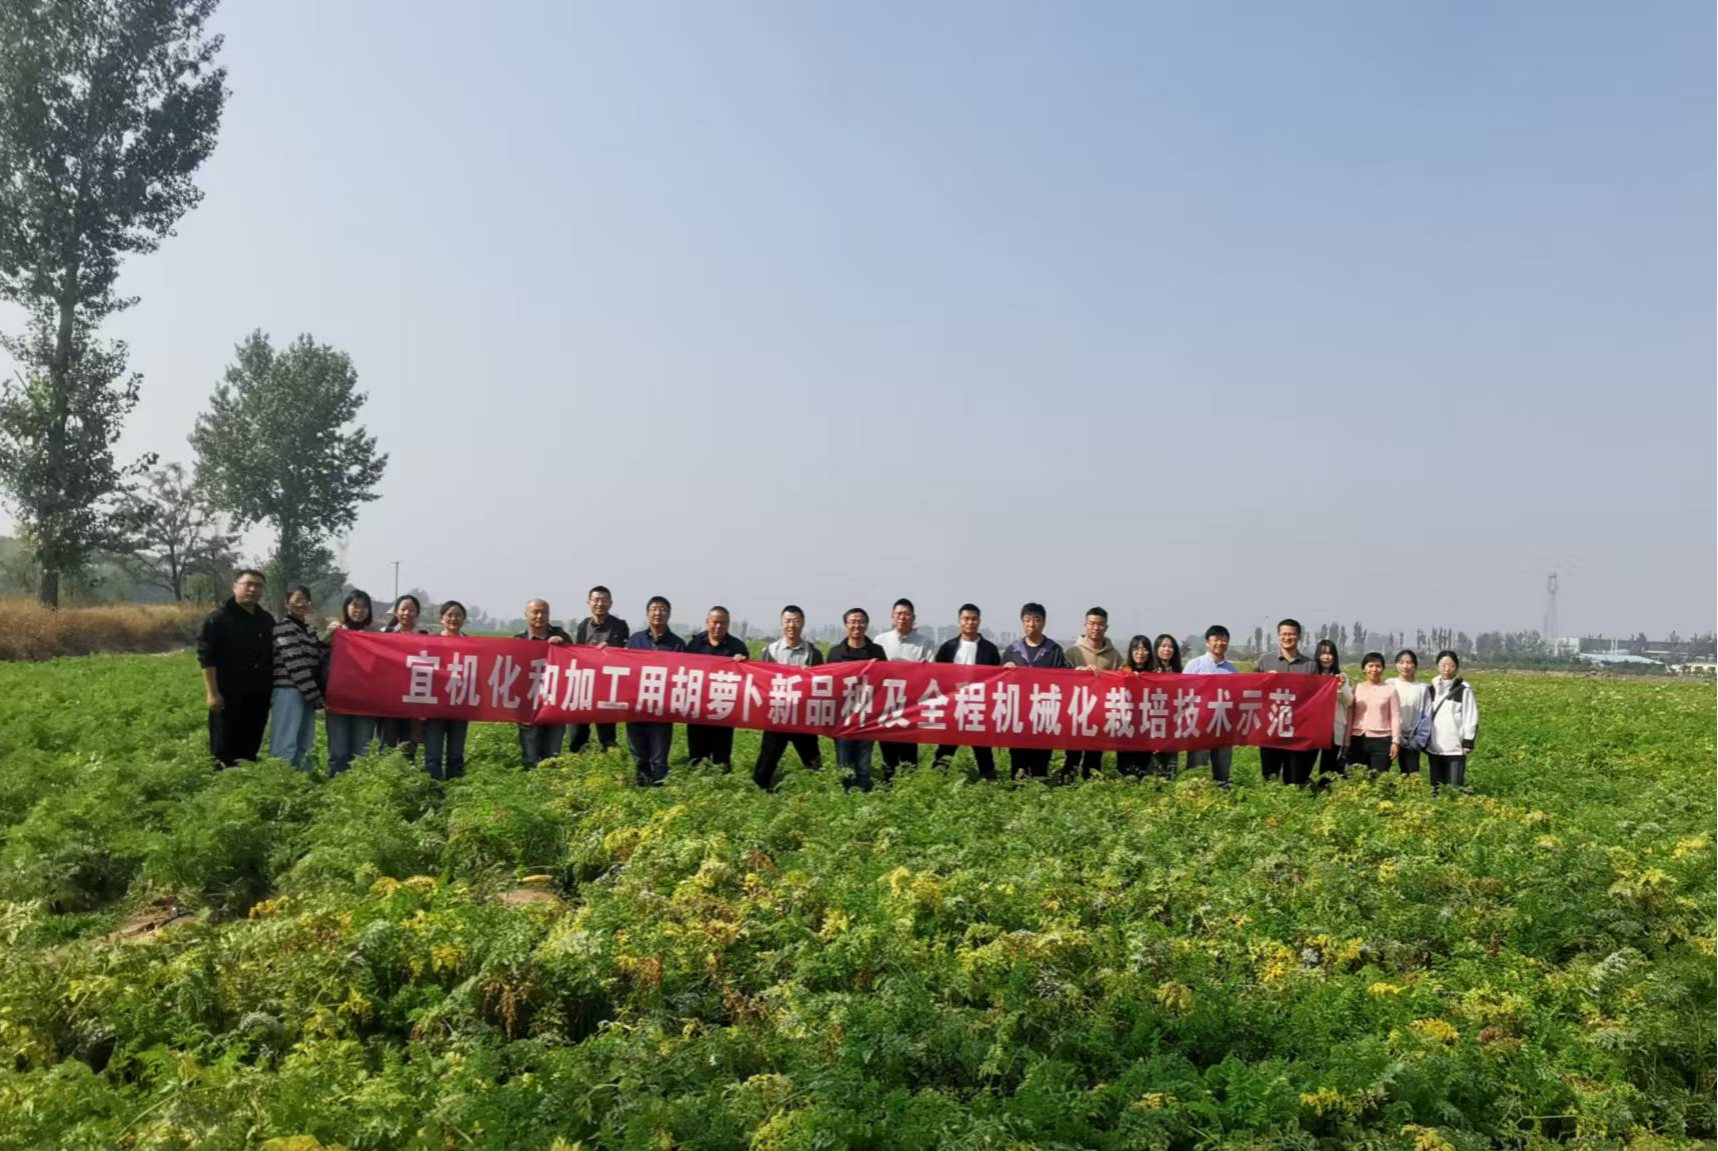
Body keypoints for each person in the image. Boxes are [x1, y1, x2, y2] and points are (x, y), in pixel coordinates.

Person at [197, 569, 276, 768]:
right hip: (228, 695)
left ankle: (246, 779)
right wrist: (212, 694)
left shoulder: (266, 620)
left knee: (251, 745)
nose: (253, 589)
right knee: (224, 747)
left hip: (259, 694)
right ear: (235, 587)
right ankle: (223, 781)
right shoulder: (219, 619)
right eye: (248, 584)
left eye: (258, 586)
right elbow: (207, 658)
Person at [752, 604, 824, 790]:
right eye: (788, 621)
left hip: (802, 718)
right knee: (766, 761)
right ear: (781, 623)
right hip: (777, 716)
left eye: (796, 621)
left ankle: (818, 794)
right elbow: (761, 681)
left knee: (813, 762)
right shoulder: (770, 651)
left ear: (803, 623)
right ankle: (760, 792)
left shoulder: (813, 653)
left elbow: (822, 684)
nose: (792, 625)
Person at [932, 604, 1001, 780]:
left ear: (979, 621)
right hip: (953, 706)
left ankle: (989, 782)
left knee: (983, 749)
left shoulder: (990, 650)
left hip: (979, 706)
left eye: (974, 619)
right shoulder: (948, 648)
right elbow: (937, 676)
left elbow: (997, 679)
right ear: (959, 621)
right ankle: (935, 781)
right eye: (966, 619)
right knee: (946, 749)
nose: (970, 622)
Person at [1001, 603, 1067, 779]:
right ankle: (1018, 788)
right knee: (1018, 761)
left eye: (1036, 620)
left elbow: (1065, 680)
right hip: (1019, 714)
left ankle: (1040, 788)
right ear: (1022, 622)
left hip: (1044, 713)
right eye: (1027, 620)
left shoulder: (1054, 650)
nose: (1032, 624)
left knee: (1041, 761)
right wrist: (1005, 671)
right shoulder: (1013, 651)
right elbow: (999, 683)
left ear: (1044, 622)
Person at [626, 595, 686, 785]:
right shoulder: (635, 640)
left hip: (662, 710)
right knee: (639, 756)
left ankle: (660, 793)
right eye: (654, 609)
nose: (658, 613)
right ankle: (642, 791)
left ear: (669, 614)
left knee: (659, 758)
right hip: (636, 708)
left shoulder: (677, 644)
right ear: (647, 613)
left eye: (663, 609)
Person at [826, 608, 887, 792]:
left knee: (863, 766)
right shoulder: (836, 653)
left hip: (868, 717)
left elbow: (885, 681)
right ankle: (844, 798)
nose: (857, 625)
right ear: (846, 625)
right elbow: (828, 684)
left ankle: (863, 797)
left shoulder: (876, 652)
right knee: (844, 765)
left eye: (861, 621)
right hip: (843, 718)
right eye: (852, 621)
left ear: (866, 625)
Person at [874, 598, 935, 779]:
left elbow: (932, 673)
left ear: (913, 618)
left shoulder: (925, 643)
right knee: (888, 752)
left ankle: (909, 784)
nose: (902, 617)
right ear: (892, 617)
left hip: (911, 705)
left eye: (907, 614)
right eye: (899, 614)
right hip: (886, 705)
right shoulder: (880, 641)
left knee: (909, 754)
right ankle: (888, 785)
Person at [1063, 607, 1125, 779]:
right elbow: (1062, 679)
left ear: (1106, 627)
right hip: (1076, 712)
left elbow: (1122, 679)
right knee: (1072, 755)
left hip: (1100, 714)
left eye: (1100, 624)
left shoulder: (1114, 656)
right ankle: (1067, 783)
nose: (1096, 628)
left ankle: (1092, 785)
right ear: (1085, 625)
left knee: (1094, 757)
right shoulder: (1073, 652)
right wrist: (1080, 672)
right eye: (1092, 623)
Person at [1255, 619, 1319, 785]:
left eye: (1291, 634)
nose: (1287, 637)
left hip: (1297, 729)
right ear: (1278, 636)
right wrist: (1265, 681)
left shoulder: (1310, 665)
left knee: (1293, 778)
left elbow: (1316, 696)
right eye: (1284, 634)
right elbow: (1252, 690)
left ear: (1299, 637)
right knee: (1270, 776)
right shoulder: (1265, 661)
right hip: (1270, 727)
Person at [684, 605, 749, 768]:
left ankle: (722, 779)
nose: (719, 626)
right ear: (707, 622)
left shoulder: (737, 647)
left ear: (728, 624)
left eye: (723, 623)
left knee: (722, 759)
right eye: (715, 622)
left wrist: (743, 663)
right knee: (697, 759)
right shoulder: (694, 645)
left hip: (724, 710)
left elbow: (747, 678)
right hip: (698, 710)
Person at [268, 584, 324, 770]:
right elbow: (295, 663)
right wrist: (314, 695)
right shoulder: (283, 628)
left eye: (305, 600)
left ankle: (303, 780)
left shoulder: (309, 630)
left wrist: (331, 639)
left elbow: (317, 658)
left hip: (307, 692)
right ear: (287, 604)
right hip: (288, 690)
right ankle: (279, 779)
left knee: (304, 741)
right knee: (285, 741)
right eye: (297, 600)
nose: (302, 604)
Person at [325, 589, 379, 775]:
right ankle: (336, 786)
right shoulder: (337, 631)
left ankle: (356, 788)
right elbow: (320, 653)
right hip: (338, 698)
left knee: (361, 751)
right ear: (346, 607)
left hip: (366, 701)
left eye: (364, 607)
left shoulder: (376, 635)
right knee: (338, 750)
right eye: (355, 605)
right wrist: (329, 636)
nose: (359, 610)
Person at [569, 585, 629, 754]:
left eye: (604, 600)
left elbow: (625, 651)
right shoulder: (583, 626)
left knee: (607, 732)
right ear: (589, 603)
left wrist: (611, 649)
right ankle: (578, 759)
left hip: (607, 685)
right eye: (596, 600)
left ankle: (610, 761)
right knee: (578, 731)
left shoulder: (620, 626)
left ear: (611, 603)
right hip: (585, 684)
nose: (600, 604)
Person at [514, 598, 573, 768]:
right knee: (530, 757)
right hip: (528, 707)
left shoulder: (561, 637)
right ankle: (532, 783)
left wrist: (563, 646)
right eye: (535, 612)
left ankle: (549, 783)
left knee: (552, 757)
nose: (540, 616)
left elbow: (575, 661)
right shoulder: (518, 641)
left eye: (544, 612)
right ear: (526, 615)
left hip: (555, 705)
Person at [1183, 625, 1238, 787]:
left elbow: (1237, 699)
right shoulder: (1195, 665)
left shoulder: (1232, 671)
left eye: (1224, 640)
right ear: (1207, 642)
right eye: (1216, 639)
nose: (1220, 643)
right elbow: (1182, 693)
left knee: (1222, 772)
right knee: (1196, 770)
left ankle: (1222, 794)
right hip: (1199, 726)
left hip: (1223, 726)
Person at [423, 600, 471, 783]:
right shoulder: (431, 642)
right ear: (441, 619)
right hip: (435, 706)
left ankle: (454, 790)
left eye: (458, 615)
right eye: (449, 615)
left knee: (456, 754)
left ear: (464, 619)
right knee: (433, 753)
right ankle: (433, 790)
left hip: (460, 705)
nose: (454, 619)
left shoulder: (472, 644)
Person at [379, 594, 429, 762]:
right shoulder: (384, 634)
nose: (407, 613)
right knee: (387, 742)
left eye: (411, 610)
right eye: (403, 609)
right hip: (389, 697)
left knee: (409, 744)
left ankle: (406, 774)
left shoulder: (426, 636)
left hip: (413, 697)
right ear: (396, 612)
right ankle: (385, 774)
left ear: (417, 613)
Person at [1425, 650, 1480, 795]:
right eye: (1443, 665)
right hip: (1435, 746)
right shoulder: (1431, 689)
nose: (1447, 669)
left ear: (1457, 667)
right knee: (1436, 788)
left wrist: (1468, 742)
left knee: (1454, 788)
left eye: (1451, 665)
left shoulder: (1463, 690)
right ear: (1437, 667)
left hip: (1455, 747)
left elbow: (1471, 717)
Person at [1345, 652, 1400, 774]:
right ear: (1364, 669)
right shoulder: (1356, 689)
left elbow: (1395, 716)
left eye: (1378, 666)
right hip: (1358, 739)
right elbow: (1350, 716)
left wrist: (1395, 741)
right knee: (1358, 778)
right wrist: (1347, 741)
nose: (1374, 669)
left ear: (1383, 669)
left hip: (1382, 741)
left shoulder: (1390, 690)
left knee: (1378, 778)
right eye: (1370, 666)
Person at [1312, 639, 1354, 781]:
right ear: (1317, 655)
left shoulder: (1341, 676)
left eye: (1330, 654)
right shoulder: (1311, 676)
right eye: (1323, 653)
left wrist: (1340, 688)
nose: (1326, 657)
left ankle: (1324, 788)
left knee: (1328, 765)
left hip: (1333, 727)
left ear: (1335, 657)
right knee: (1307, 760)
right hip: (1313, 727)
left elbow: (1348, 702)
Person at [1115, 636, 1156, 778]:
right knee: (1125, 767)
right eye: (1136, 649)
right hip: (1126, 726)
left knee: (1143, 767)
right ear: (1130, 651)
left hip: (1146, 727)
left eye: (1145, 649)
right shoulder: (1122, 671)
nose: (1140, 653)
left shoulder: (1155, 673)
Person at [1145, 634, 1183, 778]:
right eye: (1163, 646)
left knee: (1170, 766)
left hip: (1172, 724)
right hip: (1152, 723)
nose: (1167, 649)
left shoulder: (1178, 671)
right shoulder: (1149, 670)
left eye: (1170, 647)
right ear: (1156, 648)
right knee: (1153, 768)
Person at [1390, 649, 1433, 776]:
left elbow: (1427, 715)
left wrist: (1419, 739)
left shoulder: (1422, 688)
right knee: (1385, 773)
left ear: (1415, 665)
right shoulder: (1390, 684)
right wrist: (1395, 736)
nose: (1405, 666)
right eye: (1401, 662)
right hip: (1391, 737)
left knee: (1412, 774)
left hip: (1412, 738)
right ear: (1396, 665)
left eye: (1409, 662)